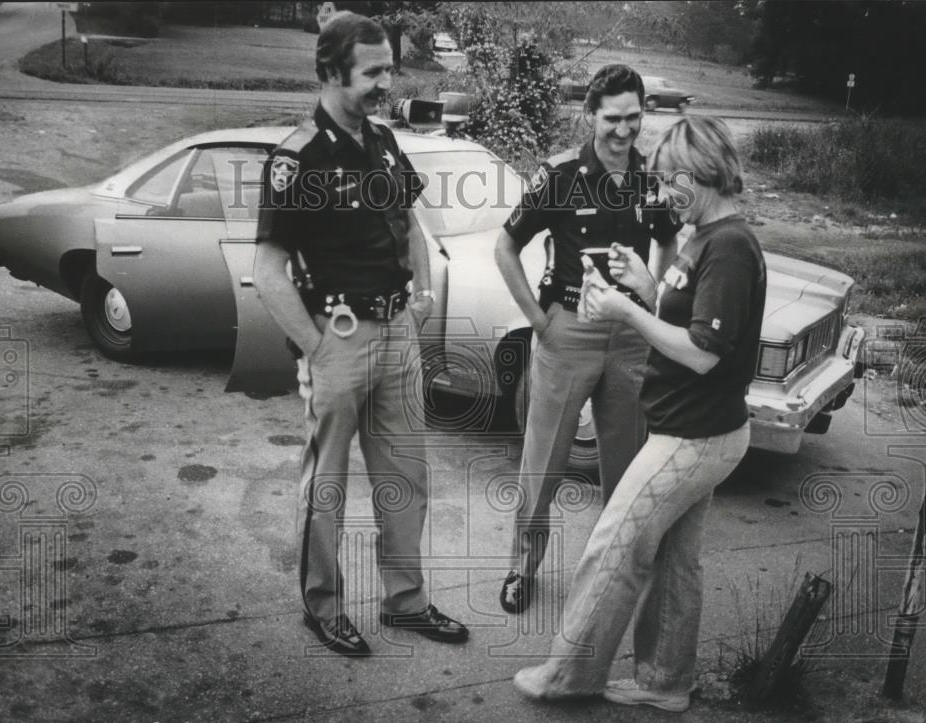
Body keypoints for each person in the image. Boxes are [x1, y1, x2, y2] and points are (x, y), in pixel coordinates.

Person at [511, 116, 767, 712]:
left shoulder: (729, 245)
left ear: (702, 174)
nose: (661, 195)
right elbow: (691, 319)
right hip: (698, 430)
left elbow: (702, 353)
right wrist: (647, 287)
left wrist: (625, 313)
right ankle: (666, 683)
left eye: (671, 182)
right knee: (677, 561)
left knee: (613, 545)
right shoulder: (703, 233)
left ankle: (568, 675)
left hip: (693, 437)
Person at [253, 10, 467, 658]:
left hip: (398, 333)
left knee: (406, 478)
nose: (388, 82)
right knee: (326, 486)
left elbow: (411, 225)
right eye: (373, 72)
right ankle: (324, 605)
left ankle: (406, 602)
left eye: (390, 68)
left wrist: (422, 299)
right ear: (330, 71)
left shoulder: (382, 142)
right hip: (339, 336)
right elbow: (267, 270)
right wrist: (319, 349)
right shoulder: (299, 159)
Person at [494, 64, 681, 614]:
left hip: (629, 338)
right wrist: (538, 319)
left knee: (625, 465)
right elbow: (506, 249)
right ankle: (520, 568)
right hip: (568, 333)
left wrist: (653, 295)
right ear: (590, 115)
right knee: (544, 463)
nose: (624, 131)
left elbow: (667, 243)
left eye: (634, 118)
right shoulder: (558, 175)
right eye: (612, 119)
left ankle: (613, 574)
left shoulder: (654, 179)